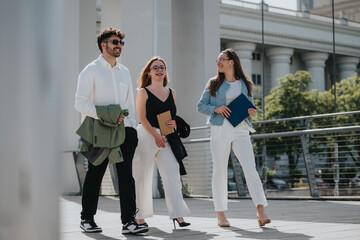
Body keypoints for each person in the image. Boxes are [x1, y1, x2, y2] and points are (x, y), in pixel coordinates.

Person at [74, 27, 148, 234]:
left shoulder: (124, 71)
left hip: (125, 131)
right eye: (115, 42)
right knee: (95, 174)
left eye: (121, 43)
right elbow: (80, 103)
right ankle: (86, 219)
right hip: (99, 130)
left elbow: (129, 104)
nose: (119, 46)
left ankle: (129, 222)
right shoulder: (90, 70)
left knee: (126, 176)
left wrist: (132, 126)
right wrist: (107, 114)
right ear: (103, 45)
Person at [197, 48, 271, 227]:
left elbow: (250, 106)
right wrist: (216, 109)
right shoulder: (213, 83)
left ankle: (261, 211)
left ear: (232, 61)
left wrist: (251, 111)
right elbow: (200, 105)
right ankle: (220, 214)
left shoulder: (246, 83)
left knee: (250, 167)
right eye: (217, 60)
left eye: (221, 59)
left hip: (241, 128)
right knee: (220, 170)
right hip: (220, 129)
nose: (218, 62)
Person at [132, 57, 191, 229]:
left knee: (172, 175)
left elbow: (173, 116)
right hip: (146, 135)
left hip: (167, 136)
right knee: (141, 176)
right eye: (155, 67)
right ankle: (139, 216)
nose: (159, 70)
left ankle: (178, 214)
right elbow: (142, 118)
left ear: (165, 71)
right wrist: (155, 135)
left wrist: (174, 124)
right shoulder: (143, 92)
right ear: (149, 72)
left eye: (162, 67)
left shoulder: (171, 92)